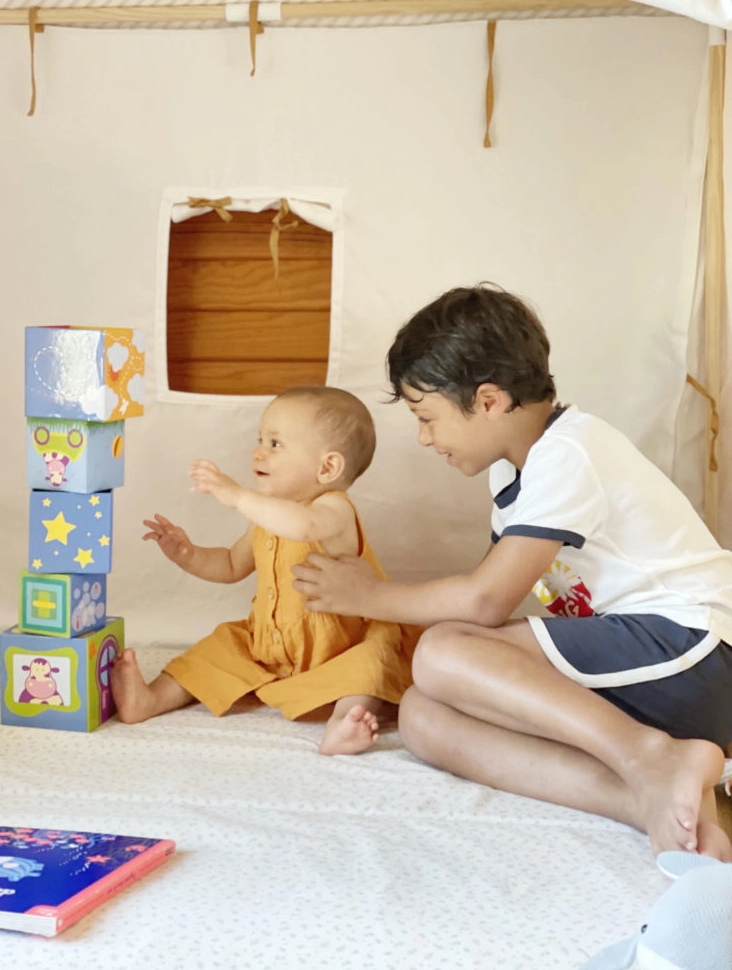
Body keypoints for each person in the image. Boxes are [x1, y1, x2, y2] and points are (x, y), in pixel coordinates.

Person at [292, 285, 732, 858]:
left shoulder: (568, 453)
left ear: (491, 401)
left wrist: (371, 595)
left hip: (693, 650)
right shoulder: (512, 472)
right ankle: (652, 800)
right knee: (425, 713)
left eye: (428, 418)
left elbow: (484, 602)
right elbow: (486, 599)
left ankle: (647, 756)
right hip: (644, 666)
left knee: (442, 652)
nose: (425, 438)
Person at [111, 385, 422, 756]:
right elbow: (230, 565)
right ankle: (151, 699)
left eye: (275, 444)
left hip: (341, 645)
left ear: (327, 467)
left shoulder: (334, 510)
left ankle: (346, 721)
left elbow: (304, 527)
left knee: (372, 662)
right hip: (271, 644)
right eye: (260, 439)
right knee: (218, 647)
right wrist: (187, 553)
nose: (258, 451)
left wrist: (240, 496)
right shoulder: (267, 514)